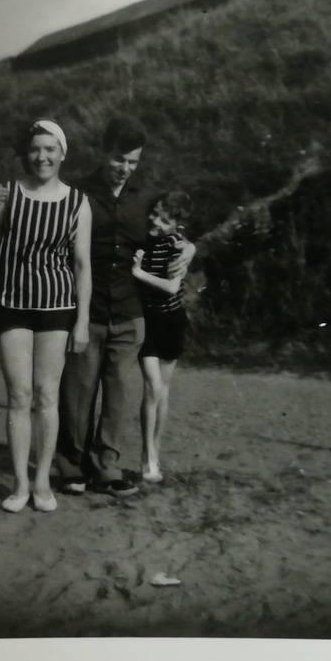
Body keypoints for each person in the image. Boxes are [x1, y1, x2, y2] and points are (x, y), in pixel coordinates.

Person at [0, 116, 192, 497]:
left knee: (119, 394)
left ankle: (106, 467)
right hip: (84, 309)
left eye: (132, 162)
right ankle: (70, 466)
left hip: (131, 312)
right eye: (118, 159)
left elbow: (173, 229)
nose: (125, 169)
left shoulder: (146, 197)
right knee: (76, 393)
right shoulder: (74, 193)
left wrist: (189, 248)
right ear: (104, 152)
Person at [0, 120, 92, 514]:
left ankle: (42, 480)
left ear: (62, 153)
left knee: (46, 395)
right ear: (26, 154)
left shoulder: (78, 202)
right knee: (19, 395)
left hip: (57, 306)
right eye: (34, 150)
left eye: (50, 149)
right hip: (9, 304)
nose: (42, 156)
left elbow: (82, 265)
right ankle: (20, 483)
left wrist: (81, 321)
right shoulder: (7, 194)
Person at [132, 191, 193, 484]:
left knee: (163, 391)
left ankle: (153, 453)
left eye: (165, 220)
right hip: (147, 322)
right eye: (155, 214)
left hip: (171, 321)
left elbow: (171, 288)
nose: (156, 221)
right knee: (152, 387)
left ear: (176, 226)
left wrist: (138, 273)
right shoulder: (141, 239)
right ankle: (147, 453)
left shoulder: (176, 246)